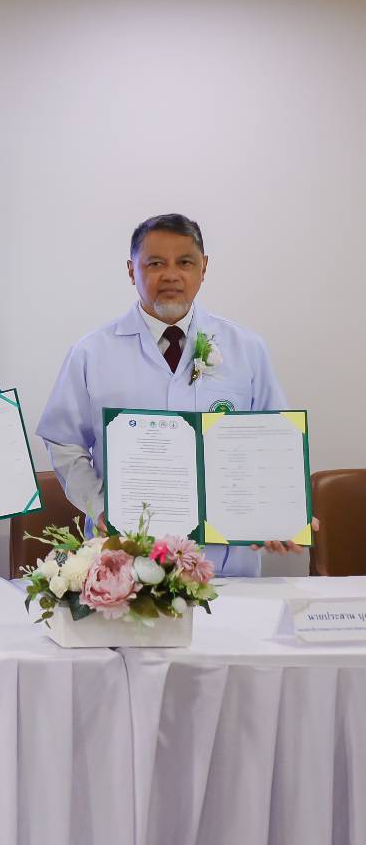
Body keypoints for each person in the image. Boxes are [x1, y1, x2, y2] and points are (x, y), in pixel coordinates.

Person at [36, 213, 310, 577]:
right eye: (155, 263)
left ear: (203, 268)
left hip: (226, 564)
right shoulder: (91, 353)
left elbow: (273, 443)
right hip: (125, 562)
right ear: (131, 270)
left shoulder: (246, 349)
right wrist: (100, 508)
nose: (170, 275)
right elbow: (63, 441)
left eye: (184, 262)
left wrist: (280, 513)